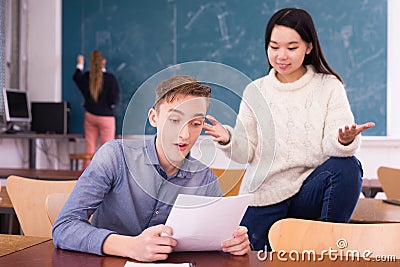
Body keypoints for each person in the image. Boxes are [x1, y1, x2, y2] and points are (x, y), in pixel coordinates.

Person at [203, 7, 375, 251]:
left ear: (309, 47)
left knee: (347, 166)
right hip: (264, 197)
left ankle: (329, 250)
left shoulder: (329, 87)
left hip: (308, 194)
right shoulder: (256, 90)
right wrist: (229, 139)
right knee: (246, 256)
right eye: (274, 47)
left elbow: (332, 144)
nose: (281, 55)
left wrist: (343, 140)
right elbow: (246, 152)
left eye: (291, 48)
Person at [53, 75, 250, 262]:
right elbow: (64, 227)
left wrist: (232, 243)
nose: (184, 134)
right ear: (154, 118)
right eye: (174, 120)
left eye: (195, 123)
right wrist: (131, 246)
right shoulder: (115, 156)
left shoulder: (206, 179)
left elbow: (214, 242)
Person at [73, 50, 120, 169]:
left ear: (91, 63)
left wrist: (79, 64)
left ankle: (87, 177)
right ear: (103, 62)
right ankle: (106, 176)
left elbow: (76, 77)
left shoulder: (86, 77)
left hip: (90, 116)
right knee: (107, 149)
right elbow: (113, 100)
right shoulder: (110, 79)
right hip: (106, 118)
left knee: (90, 147)